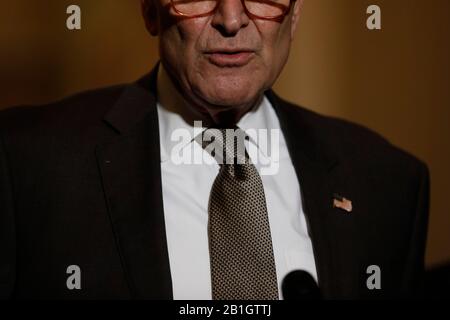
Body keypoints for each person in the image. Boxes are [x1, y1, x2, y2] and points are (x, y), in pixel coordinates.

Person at [0, 0, 429, 299]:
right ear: (150, 8)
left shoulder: (388, 185)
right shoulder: (27, 164)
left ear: (295, 14)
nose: (231, 19)